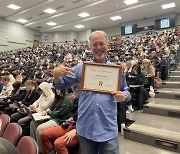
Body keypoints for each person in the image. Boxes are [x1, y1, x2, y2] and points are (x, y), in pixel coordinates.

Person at [53, 31, 131, 154]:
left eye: (101, 44)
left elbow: (126, 91)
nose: (98, 47)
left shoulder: (116, 70)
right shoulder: (81, 67)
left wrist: (124, 96)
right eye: (95, 44)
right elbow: (61, 84)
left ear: (108, 45)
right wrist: (56, 74)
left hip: (108, 129)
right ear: (90, 47)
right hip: (85, 129)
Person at [30, 88, 72, 153]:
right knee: (33, 123)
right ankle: (34, 145)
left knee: (39, 128)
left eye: (59, 89)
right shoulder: (58, 98)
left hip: (59, 121)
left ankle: (41, 151)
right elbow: (51, 108)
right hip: (52, 118)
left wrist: (49, 112)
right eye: (56, 89)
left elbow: (59, 114)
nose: (57, 90)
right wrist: (47, 111)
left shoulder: (67, 100)